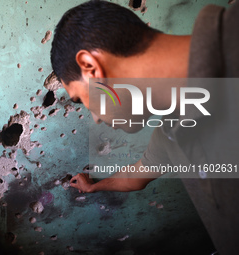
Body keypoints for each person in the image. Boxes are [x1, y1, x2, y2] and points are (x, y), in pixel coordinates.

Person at [50, 0, 239, 254]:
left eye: (82, 100)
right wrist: (92, 187)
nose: (94, 117)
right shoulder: (171, 134)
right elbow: (134, 178)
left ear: (91, 68)